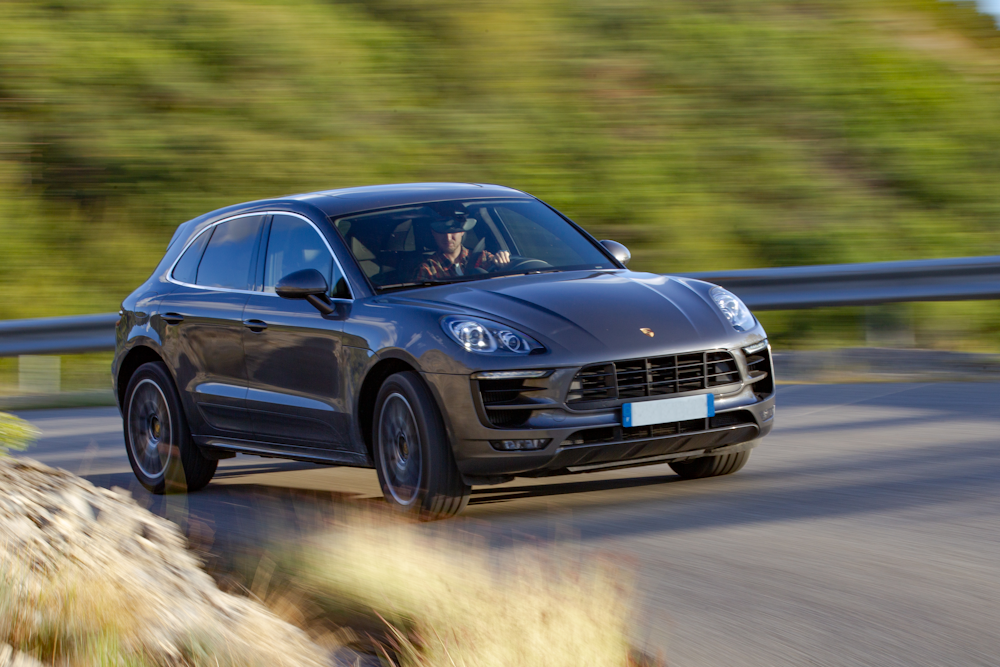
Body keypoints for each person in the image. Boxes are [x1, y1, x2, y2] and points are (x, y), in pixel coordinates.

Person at [414, 212, 511, 280]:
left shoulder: (482, 258)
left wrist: (503, 259)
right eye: (441, 231)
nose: (448, 238)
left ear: (462, 231)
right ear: (433, 233)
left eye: (453, 231)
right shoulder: (427, 269)